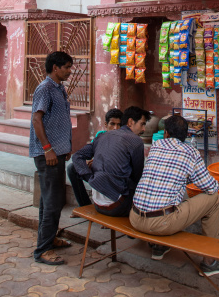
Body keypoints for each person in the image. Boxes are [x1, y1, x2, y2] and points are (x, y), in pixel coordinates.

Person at [130, 114, 219, 276]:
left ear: (166, 133)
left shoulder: (156, 146)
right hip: (162, 224)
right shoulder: (190, 152)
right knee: (213, 199)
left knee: (170, 191)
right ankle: (210, 261)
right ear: (186, 135)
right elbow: (210, 188)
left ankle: (158, 247)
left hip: (135, 218)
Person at [29, 50, 73, 266]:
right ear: (55, 68)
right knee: (53, 202)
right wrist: (48, 149)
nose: (69, 71)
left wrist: (65, 146)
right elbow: (37, 120)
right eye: (66, 67)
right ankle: (43, 250)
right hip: (48, 154)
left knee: (50, 201)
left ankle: (49, 239)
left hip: (58, 152)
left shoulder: (60, 89)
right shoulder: (45, 88)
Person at [70, 106, 150, 217]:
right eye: (142, 124)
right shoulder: (135, 141)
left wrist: (90, 178)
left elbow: (77, 156)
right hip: (117, 207)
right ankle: (135, 230)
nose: (143, 129)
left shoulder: (101, 136)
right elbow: (137, 177)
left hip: (98, 204)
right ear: (131, 122)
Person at [67, 108, 123, 209]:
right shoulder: (100, 137)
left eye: (119, 125)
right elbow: (78, 156)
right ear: (106, 125)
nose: (115, 128)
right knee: (72, 168)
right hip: (97, 176)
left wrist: (97, 162)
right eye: (112, 124)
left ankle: (110, 209)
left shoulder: (124, 142)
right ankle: (84, 206)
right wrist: (88, 174)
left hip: (113, 178)